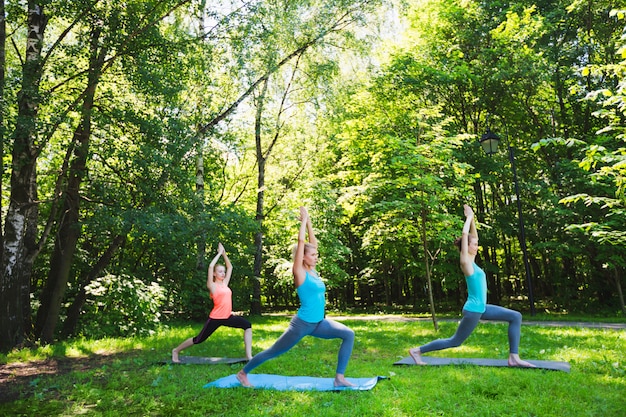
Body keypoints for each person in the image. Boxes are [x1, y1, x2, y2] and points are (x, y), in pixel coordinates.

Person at [236, 206, 355, 387]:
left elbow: (311, 242)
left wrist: (308, 222)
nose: (316, 257)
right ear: (304, 257)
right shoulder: (299, 272)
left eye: (316, 254)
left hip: (318, 323)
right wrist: (303, 222)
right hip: (302, 324)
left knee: (349, 334)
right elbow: (302, 242)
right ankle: (243, 373)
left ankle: (339, 378)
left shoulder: (313, 270)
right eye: (313, 255)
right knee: (274, 351)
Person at [409, 204, 534, 367]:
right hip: (473, 310)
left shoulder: (473, 262)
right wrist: (467, 218)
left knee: (515, 316)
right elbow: (465, 234)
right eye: (474, 244)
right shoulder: (466, 263)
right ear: (466, 247)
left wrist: (473, 218)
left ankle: (513, 358)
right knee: (455, 341)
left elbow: (473, 236)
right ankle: (417, 351)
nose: (477, 246)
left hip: (481, 307)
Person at [172, 243, 252, 362]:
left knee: (247, 325)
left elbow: (230, 267)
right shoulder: (212, 286)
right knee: (198, 339)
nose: (223, 273)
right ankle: (176, 351)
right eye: (220, 272)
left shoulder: (225, 284)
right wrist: (219, 254)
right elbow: (210, 266)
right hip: (215, 318)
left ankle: (248, 356)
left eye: (223, 272)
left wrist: (224, 253)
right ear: (214, 274)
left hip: (227, 317)